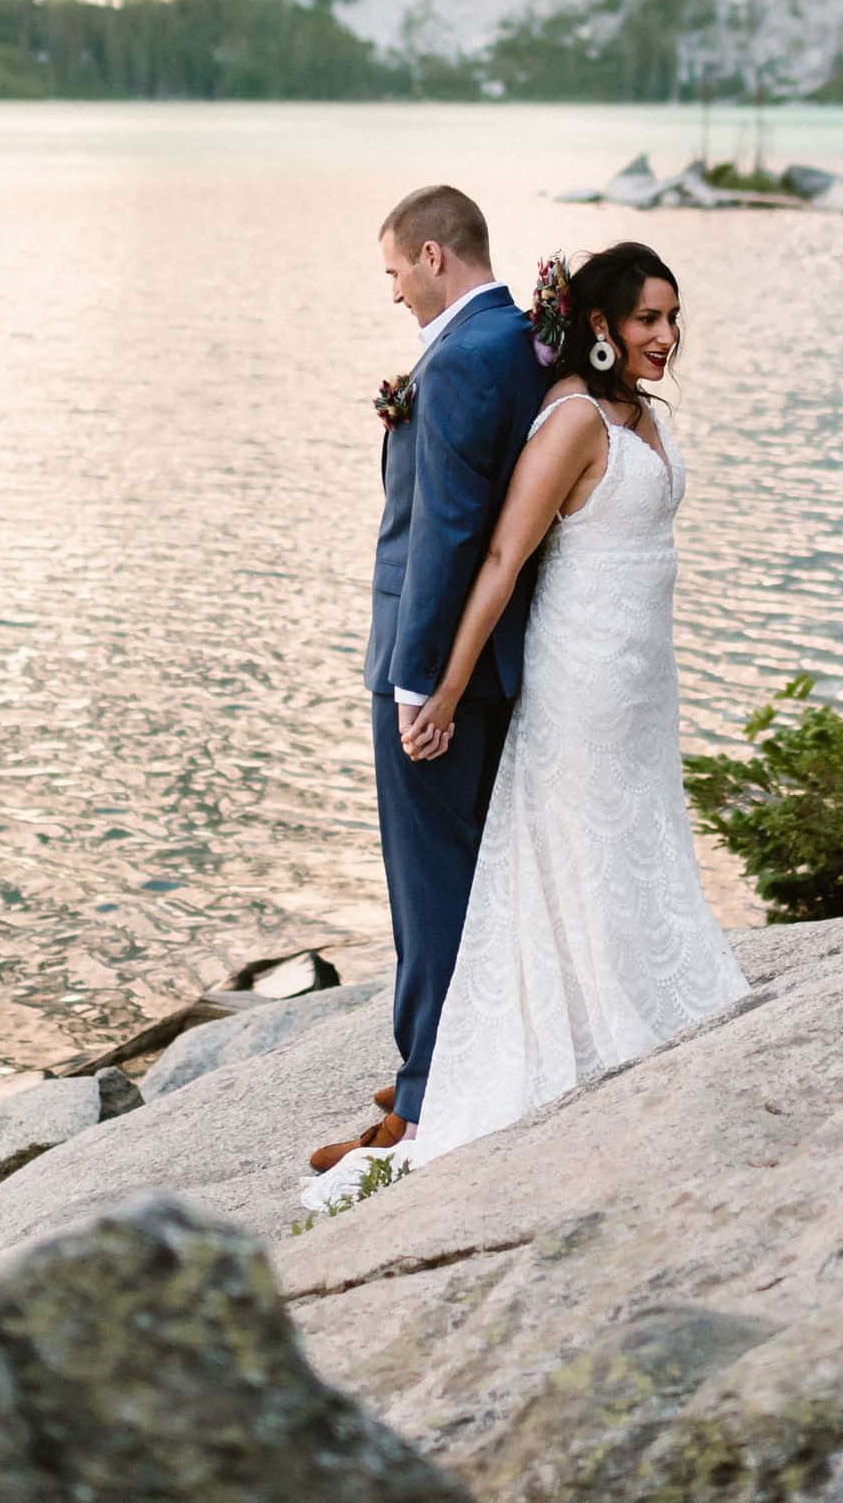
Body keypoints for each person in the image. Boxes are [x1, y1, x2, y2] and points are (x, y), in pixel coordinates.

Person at [302, 239, 743, 1206]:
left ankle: (635, 989)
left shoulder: (641, 414)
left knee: (635, 826)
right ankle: (505, 1057)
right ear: (600, 327)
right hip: (579, 671)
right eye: (646, 320)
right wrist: (447, 686)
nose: (666, 337)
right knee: (571, 838)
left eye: (672, 319)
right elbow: (500, 557)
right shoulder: (573, 418)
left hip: (640, 673)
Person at [303, 184, 547, 1194]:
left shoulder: (457, 355)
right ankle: (431, 1052)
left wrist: (418, 683)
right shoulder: (521, 338)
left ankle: (425, 1090)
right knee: (458, 868)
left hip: (434, 664)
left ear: (436, 254)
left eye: (395, 269)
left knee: (428, 876)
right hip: (483, 661)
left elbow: (448, 528)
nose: (393, 290)